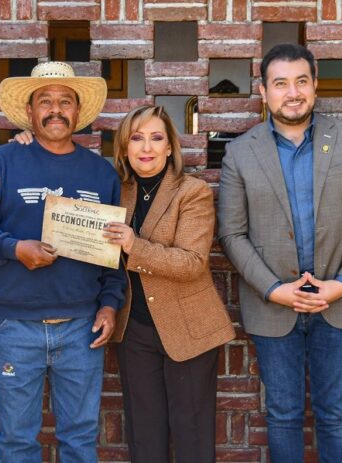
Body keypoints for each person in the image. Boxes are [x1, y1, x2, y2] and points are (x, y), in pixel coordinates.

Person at [218, 43, 342, 462]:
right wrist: (273, 289)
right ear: (263, 91)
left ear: (315, 86)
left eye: (301, 81)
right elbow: (231, 233)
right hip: (273, 306)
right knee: (282, 415)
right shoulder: (240, 152)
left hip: (339, 304)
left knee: (334, 413)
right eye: (280, 83)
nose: (292, 92)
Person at [0, 61, 125, 462]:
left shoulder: (102, 173)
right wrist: (15, 249)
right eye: (45, 101)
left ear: (79, 112)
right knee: (16, 442)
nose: (56, 110)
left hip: (82, 330)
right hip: (16, 329)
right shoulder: (2, 163)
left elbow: (114, 255)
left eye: (66, 101)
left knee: (80, 441)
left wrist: (110, 305)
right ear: (29, 112)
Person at [104, 105, 235, 462]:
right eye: (137, 137)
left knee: (191, 434)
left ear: (169, 147)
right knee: (144, 436)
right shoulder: (117, 190)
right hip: (135, 330)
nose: (146, 147)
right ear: (124, 147)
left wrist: (134, 246)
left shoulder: (191, 192)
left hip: (188, 330)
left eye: (156, 137)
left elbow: (192, 263)